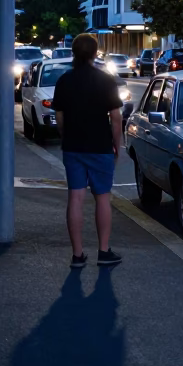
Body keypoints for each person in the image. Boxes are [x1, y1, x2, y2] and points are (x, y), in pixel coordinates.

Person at [52, 32, 123, 269]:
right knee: (102, 197)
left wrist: (65, 136)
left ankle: (78, 255)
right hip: (100, 146)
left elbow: (59, 116)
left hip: (73, 146)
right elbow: (115, 118)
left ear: (73, 53)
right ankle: (104, 251)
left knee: (76, 197)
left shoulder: (64, 80)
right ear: (95, 53)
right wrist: (117, 146)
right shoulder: (106, 80)